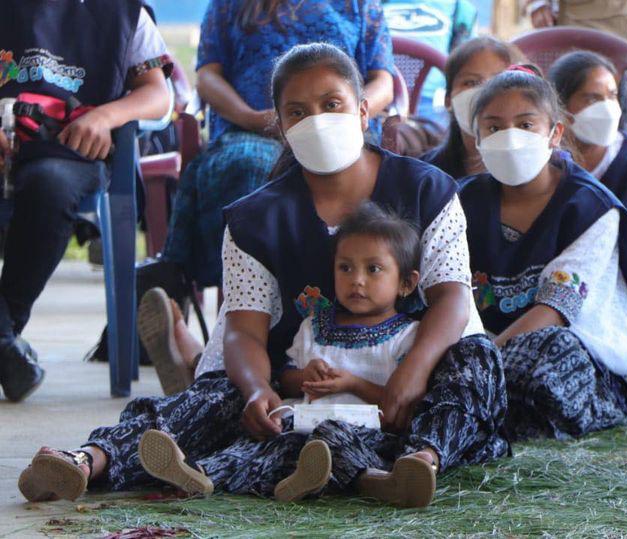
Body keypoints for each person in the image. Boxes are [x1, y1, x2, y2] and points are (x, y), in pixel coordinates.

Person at [17, 42, 508, 504]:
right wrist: (257, 389)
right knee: (217, 395)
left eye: (332, 104)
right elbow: (244, 331)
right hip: (300, 388)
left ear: (363, 111)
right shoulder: (254, 219)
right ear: (280, 126)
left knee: (475, 361)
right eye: (297, 112)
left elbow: (452, 297)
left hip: (406, 381)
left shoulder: (427, 190)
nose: (317, 121)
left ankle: (420, 460)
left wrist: (414, 371)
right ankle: (89, 461)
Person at [137, 202, 443, 506]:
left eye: (373, 269)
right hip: (302, 430)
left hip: (365, 436)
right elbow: (286, 379)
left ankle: (380, 482)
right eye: (345, 268)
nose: (357, 280)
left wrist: (352, 384)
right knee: (262, 445)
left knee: (332, 439)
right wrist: (305, 376)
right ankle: (199, 474)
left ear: (406, 283)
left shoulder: (408, 337)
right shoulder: (314, 326)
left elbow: (398, 403)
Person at [459, 66, 627, 441]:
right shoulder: (461, 201)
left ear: (555, 133)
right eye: (494, 127)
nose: (510, 137)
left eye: (525, 124)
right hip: (485, 345)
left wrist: (481, 363)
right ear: (476, 139)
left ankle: (478, 402)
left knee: (548, 360)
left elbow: (556, 309)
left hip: (572, 347)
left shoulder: (592, 208)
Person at [157, 0, 394, 294]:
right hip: (251, 129)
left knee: (353, 167)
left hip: (341, 131)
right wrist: (253, 118)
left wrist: (344, 120)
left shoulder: (360, 4)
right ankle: (251, 294)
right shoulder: (228, 4)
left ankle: (354, 287)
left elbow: (383, 81)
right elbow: (208, 76)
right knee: (247, 165)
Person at [0, 0, 171, 402]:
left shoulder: (125, 12)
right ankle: (4, 349)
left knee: (50, 185)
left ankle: (5, 336)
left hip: (65, 151)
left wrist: (106, 116)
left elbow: (157, 94)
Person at [547, 50, 627, 323]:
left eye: (612, 96)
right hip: (549, 282)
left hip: (620, 286)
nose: (606, 107)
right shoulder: (545, 161)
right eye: (592, 98)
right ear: (560, 107)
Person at [420, 36, 514, 179]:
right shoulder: (425, 175)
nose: (485, 91)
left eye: (500, 81)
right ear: (448, 101)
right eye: (471, 82)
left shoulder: (540, 175)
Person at [382, 0, 478, 124]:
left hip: (433, 105)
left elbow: (470, 68)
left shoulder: (460, 9)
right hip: (377, 99)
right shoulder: (370, 5)